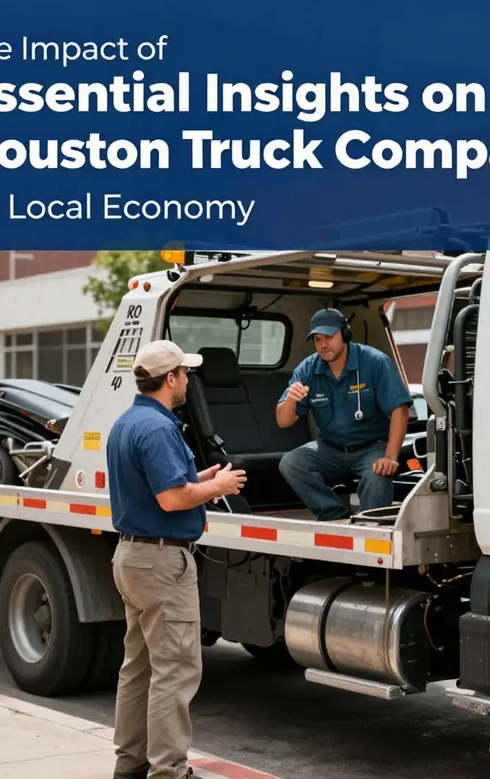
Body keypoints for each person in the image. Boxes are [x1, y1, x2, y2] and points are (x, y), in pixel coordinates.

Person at [107, 340, 247, 779]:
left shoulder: (129, 422)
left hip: (133, 557)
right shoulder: (160, 428)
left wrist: (201, 478)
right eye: (184, 373)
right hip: (162, 562)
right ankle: (168, 770)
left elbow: (163, 484)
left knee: (139, 668)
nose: (188, 379)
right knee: (176, 670)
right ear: (170, 379)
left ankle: (129, 764)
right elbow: (171, 499)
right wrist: (217, 489)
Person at [276, 308, 412, 521]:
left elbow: (400, 410)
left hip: (371, 447)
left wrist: (390, 456)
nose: (323, 345)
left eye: (329, 337)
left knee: (378, 474)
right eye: (317, 339)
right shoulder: (308, 369)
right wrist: (291, 401)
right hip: (330, 449)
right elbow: (283, 421)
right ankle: (334, 515)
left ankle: (370, 524)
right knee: (291, 462)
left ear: (345, 334)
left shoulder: (374, 362)